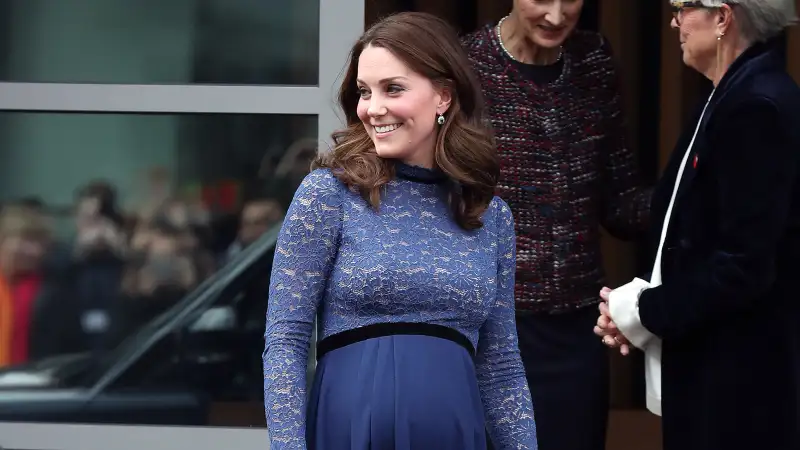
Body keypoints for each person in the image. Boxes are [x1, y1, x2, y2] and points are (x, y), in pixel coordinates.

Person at [263, 11, 537, 450]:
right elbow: (286, 340)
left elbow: (501, 364)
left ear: (443, 96)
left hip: (455, 432)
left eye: (393, 89)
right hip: (348, 430)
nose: (374, 108)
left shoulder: (490, 214)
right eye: (364, 92)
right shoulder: (328, 194)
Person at [595, 1, 800, 449]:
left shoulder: (757, 105)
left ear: (722, 18)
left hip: (740, 386)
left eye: (683, 8)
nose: (673, 22)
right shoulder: (728, 92)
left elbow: (742, 267)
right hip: (717, 373)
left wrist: (643, 312)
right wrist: (637, 309)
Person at [461, 2, 651, 449]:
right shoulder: (465, 67)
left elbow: (621, 202)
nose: (556, 14)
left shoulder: (594, 63)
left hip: (575, 332)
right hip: (487, 327)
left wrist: (693, 194)